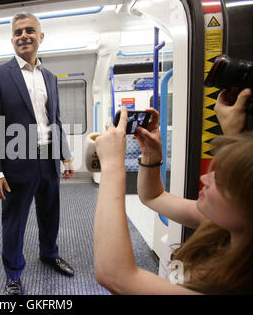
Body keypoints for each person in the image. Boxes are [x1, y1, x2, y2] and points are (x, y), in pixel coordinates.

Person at [93, 103, 253, 294]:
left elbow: (116, 276)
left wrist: (112, 164)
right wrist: (151, 155)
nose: (205, 179)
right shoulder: (225, 225)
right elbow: (154, 197)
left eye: (220, 178)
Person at [0, 11, 75, 295]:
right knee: (14, 221)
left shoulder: (50, 77)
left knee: (50, 213)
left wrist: (65, 154)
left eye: (30, 30)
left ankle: (49, 254)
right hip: (16, 161)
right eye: (18, 32)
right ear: (12, 39)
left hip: (48, 159)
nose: (24, 36)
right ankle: (13, 273)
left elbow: (54, 119)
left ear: (40, 37)